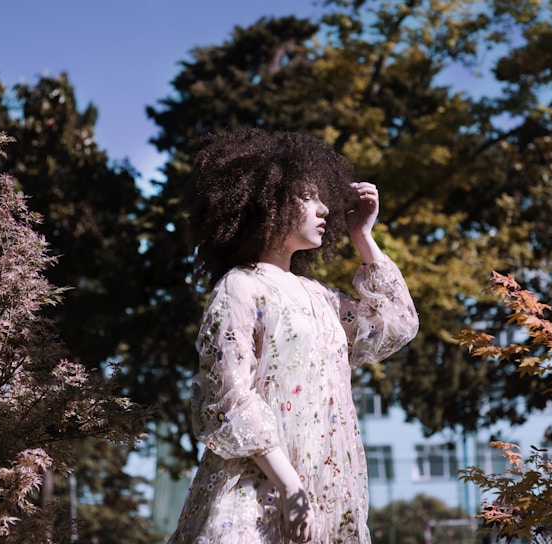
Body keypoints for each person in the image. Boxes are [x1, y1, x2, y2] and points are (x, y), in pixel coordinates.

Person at [167, 128, 419, 544]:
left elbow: (396, 323)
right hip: (256, 491)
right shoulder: (240, 287)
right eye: (309, 197)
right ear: (268, 203)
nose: (325, 210)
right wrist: (288, 485)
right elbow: (229, 398)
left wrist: (363, 236)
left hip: (321, 490)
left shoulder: (319, 297)